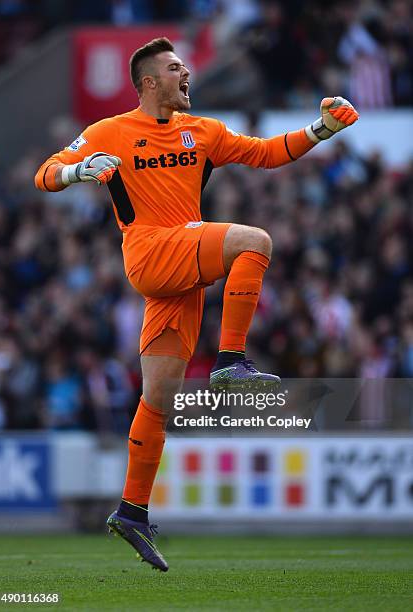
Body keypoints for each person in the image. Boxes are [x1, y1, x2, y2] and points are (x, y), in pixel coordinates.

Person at [35, 37, 359, 572]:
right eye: (174, 67)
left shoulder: (203, 131)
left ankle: (131, 510)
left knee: (158, 399)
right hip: (150, 250)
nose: (186, 73)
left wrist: (322, 128)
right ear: (148, 82)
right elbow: (44, 173)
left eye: (184, 66)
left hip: (179, 271)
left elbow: (267, 153)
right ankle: (232, 361)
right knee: (254, 241)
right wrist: (78, 171)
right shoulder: (107, 132)